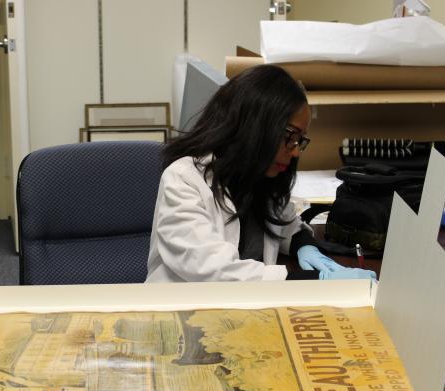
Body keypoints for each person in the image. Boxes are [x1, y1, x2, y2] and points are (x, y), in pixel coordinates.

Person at [145, 64, 376, 283]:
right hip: (182, 312)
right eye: (290, 136)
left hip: (247, 311)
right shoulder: (184, 180)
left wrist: (304, 245)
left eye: (300, 140)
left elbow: (286, 225)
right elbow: (212, 268)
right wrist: (312, 282)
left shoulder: (259, 177)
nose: (295, 151)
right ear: (255, 127)